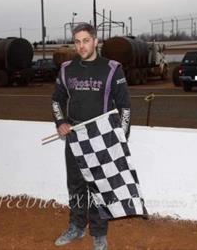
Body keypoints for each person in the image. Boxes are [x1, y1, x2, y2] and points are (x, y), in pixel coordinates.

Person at [51, 23, 131, 250]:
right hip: (75, 136)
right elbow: (56, 100)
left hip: (101, 138)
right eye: (77, 41)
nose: (81, 46)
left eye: (86, 40)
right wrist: (61, 122)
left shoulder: (113, 68)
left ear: (96, 41)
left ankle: (98, 233)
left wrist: (121, 137)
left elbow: (125, 106)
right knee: (75, 185)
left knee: (98, 187)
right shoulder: (67, 68)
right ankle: (76, 227)